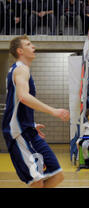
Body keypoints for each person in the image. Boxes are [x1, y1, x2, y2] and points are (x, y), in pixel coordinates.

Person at [2, 36, 69, 187]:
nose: (33, 46)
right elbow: (23, 97)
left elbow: (18, 102)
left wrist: (31, 123)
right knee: (36, 181)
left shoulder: (22, 70)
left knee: (57, 175)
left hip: (27, 129)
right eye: (28, 44)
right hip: (18, 132)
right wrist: (54, 111)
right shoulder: (21, 69)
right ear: (20, 51)